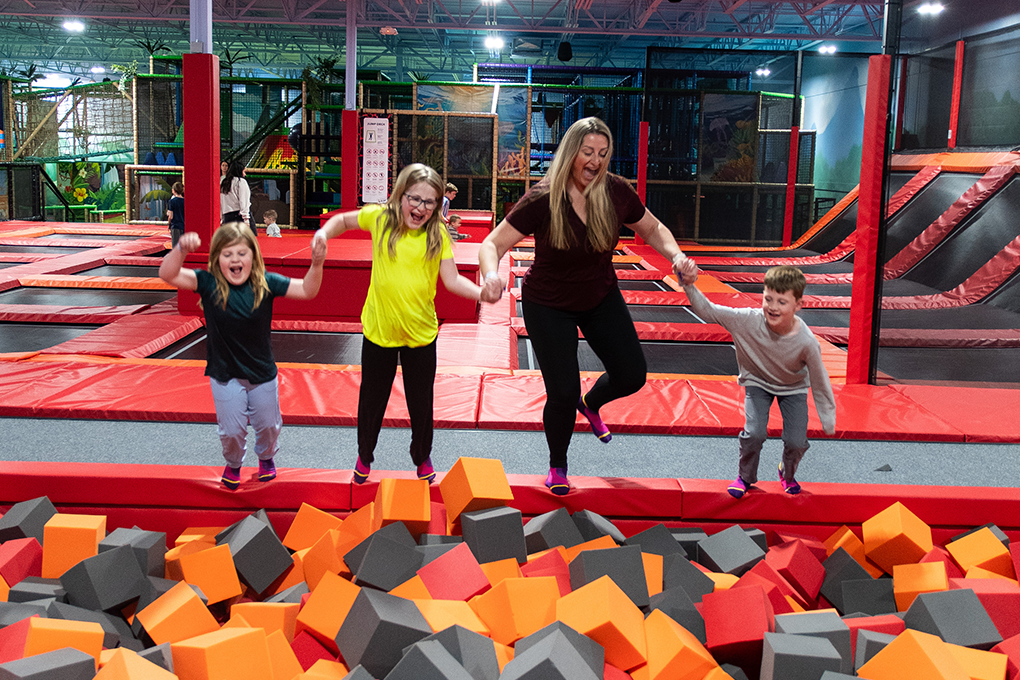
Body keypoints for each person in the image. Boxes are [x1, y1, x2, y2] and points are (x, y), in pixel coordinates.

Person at [478, 116, 691, 496]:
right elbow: (492, 244)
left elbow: (653, 229)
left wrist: (675, 255)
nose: (594, 161)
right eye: (587, 152)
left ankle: (590, 404)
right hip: (548, 303)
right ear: (571, 152)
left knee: (631, 374)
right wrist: (492, 276)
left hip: (599, 295)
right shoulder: (543, 198)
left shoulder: (616, 192)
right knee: (561, 392)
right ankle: (558, 464)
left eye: (603, 154)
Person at [312, 163, 483, 485]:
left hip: (420, 333)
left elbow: (453, 279)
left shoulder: (437, 236)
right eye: (414, 199)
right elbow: (343, 220)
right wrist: (323, 233)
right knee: (372, 400)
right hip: (380, 330)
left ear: (437, 207)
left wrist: (482, 293)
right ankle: (365, 454)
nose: (419, 208)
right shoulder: (382, 219)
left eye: (429, 202)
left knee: (421, 403)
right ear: (400, 195)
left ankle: (422, 456)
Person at [159, 222, 327, 490]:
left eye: (241, 254)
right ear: (217, 259)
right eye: (227, 255)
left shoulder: (265, 283)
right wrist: (180, 249)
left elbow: (307, 290)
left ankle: (266, 457)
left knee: (268, 426)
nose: (235, 260)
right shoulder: (208, 283)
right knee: (232, 431)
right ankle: (234, 462)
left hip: (261, 374)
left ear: (253, 257)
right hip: (225, 375)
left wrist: (316, 263)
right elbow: (167, 273)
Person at [678, 261, 836, 498]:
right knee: (754, 433)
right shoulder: (746, 320)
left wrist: (827, 417)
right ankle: (745, 476)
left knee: (796, 441)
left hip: (793, 387)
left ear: (798, 305)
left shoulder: (806, 342)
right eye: (768, 299)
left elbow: (820, 378)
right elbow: (708, 310)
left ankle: (787, 473)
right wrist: (688, 285)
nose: (773, 307)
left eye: (782, 302)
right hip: (757, 383)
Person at [220, 160, 251, 227]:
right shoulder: (240, 181)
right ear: (239, 171)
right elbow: (243, 201)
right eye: (244, 171)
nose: (245, 174)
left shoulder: (224, 182)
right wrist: (246, 219)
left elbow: (221, 201)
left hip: (227, 216)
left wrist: (222, 218)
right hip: (239, 216)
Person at [167, 182, 185, 248]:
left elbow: (170, 216)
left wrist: (169, 224)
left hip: (175, 226)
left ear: (173, 191)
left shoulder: (172, 201)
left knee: (175, 247)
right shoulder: (185, 201)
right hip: (184, 226)